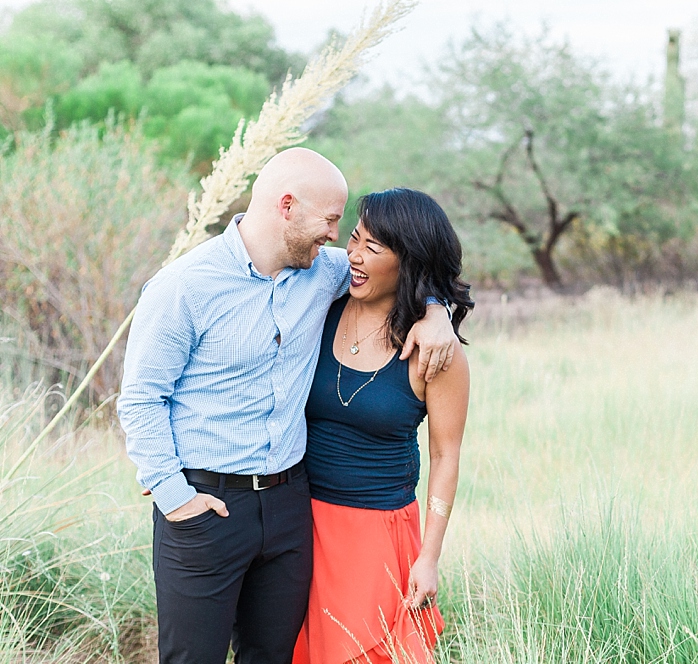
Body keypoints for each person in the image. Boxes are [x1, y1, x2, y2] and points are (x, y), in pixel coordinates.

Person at [117, 149, 458, 664]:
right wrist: (174, 498)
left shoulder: (323, 272)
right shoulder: (182, 287)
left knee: (275, 655)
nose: (336, 236)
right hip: (205, 505)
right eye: (330, 219)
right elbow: (141, 399)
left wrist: (437, 312)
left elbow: (404, 267)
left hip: (289, 508)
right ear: (287, 206)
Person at [292, 188, 472, 664]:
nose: (352, 254)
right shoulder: (322, 307)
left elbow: (445, 456)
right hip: (299, 522)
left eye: (372, 248)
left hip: (376, 535)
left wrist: (429, 557)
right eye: (353, 239)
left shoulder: (436, 351)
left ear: (408, 260)